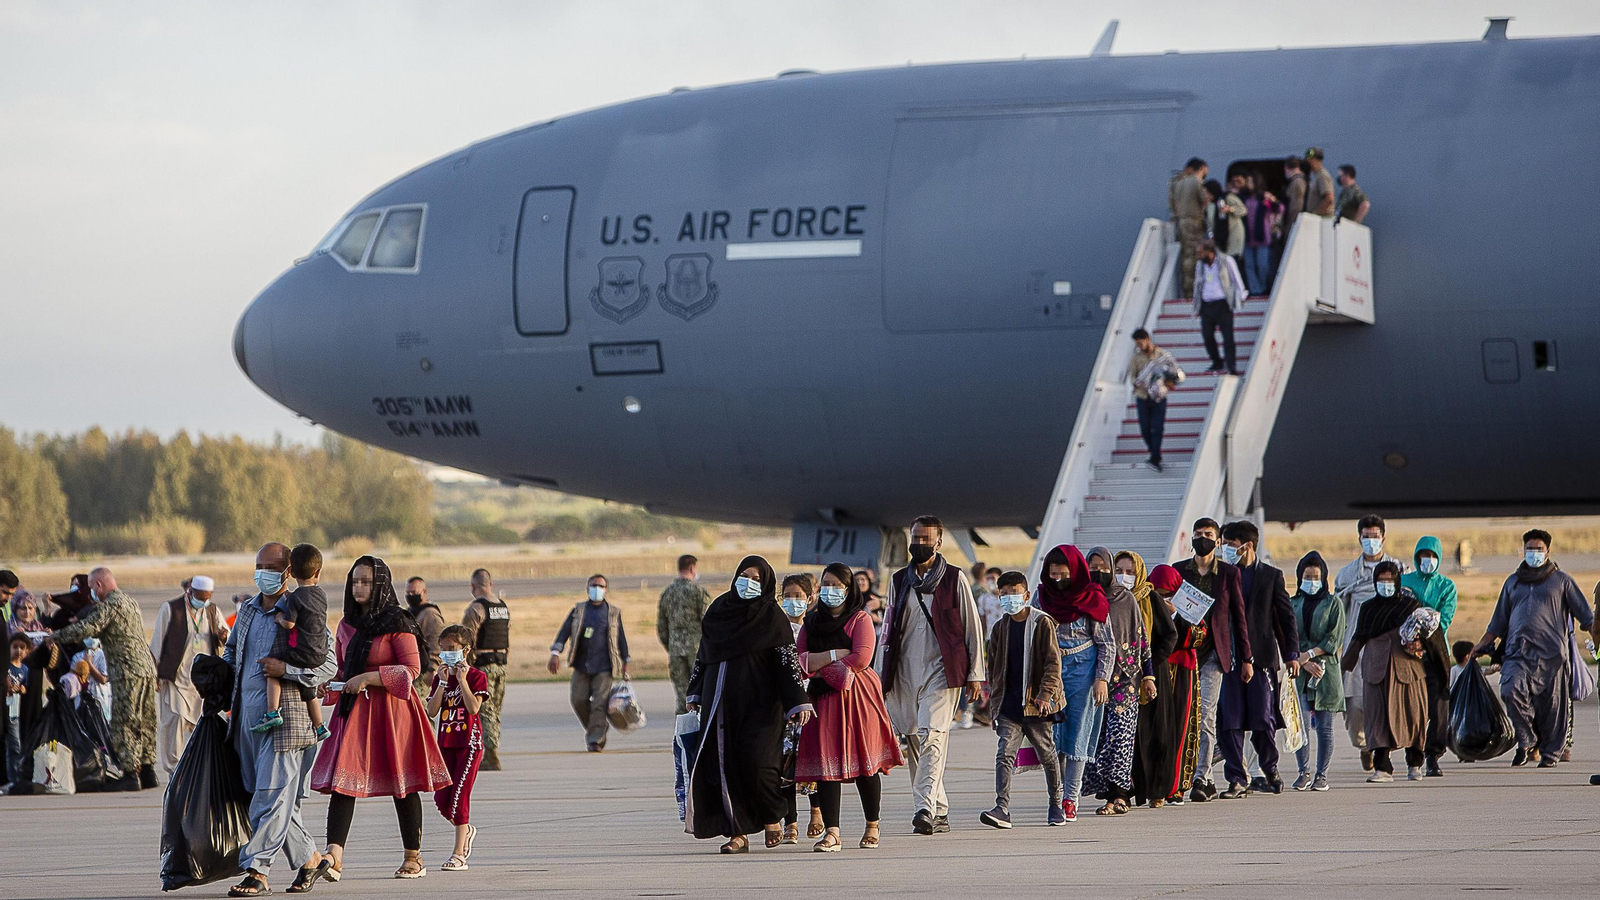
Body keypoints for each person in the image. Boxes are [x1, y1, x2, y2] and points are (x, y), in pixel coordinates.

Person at [312, 556, 451, 880]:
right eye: (355, 581)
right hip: (355, 713)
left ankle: (413, 857)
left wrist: (369, 679)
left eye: (366, 582)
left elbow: (412, 669)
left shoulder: (397, 622)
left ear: (380, 586)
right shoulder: (346, 624)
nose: (359, 588)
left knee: (403, 783)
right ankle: (335, 855)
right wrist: (329, 687)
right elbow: (346, 671)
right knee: (342, 782)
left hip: (394, 713)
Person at [222, 542, 340, 897]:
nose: (263, 573)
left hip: (286, 723)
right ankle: (310, 859)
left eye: (271, 567)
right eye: (259, 565)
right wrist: (217, 677)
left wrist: (287, 669)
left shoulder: (305, 609)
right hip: (246, 720)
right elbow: (232, 653)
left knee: (270, 798)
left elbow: (329, 665)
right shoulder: (247, 611)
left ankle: (257, 870)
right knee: (268, 797)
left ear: (288, 572)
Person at [684, 556, 813, 853]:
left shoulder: (773, 617)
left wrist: (797, 701)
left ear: (766, 582)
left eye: (755, 578)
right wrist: (695, 692)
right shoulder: (719, 610)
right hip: (721, 704)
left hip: (761, 706)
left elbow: (787, 662)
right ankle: (737, 834)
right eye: (744, 576)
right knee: (725, 767)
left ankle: (772, 816)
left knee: (759, 765)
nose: (748, 582)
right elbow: (704, 654)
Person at [878, 516, 986, 835]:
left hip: (943, 670)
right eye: (916, 537)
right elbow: (887, 628)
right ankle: (938, 809)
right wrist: (878, 674)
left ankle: (923, 807)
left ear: (939, 543)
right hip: (905, 670)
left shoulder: (954, 579)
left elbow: (972, 628)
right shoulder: (899, 581)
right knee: (914, 737)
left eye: (926, 539)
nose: (919, 544)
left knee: (932, 735)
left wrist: (975, 674)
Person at [797, 562, 904, 851]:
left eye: (836, 585)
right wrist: (833, 655)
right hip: (824, 701)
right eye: (826, 584)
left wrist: (819, 666)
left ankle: (872, 824)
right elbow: (801, 660)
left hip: (859, 699)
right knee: (826, 766)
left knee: (864, 765)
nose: (830, 591)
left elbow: (861, 659)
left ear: (848, 589)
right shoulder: (811, 622)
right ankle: (832, 833)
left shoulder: (860, 619)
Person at [1469, 530, 1599, 767]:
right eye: (1530, 549)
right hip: (1517, 655)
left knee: (1553, 709)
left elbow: (1587, 617)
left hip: (1552, 658)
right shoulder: (1512, 582)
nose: (1534, 554)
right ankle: (1527, 738)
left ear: (1548, 552)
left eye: (1538, 550)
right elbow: (1498, 621)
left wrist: (1597, 636)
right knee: (1510, 690)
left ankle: (1550, 754)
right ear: (1523, 550)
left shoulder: (1562, 581)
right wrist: (1483, 644)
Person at [50, 567, 159, 791]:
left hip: (127, 671)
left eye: (92, 588)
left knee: (124, 722)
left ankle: (130, 774)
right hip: (146, 669)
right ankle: (148, 771)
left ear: (99, 585)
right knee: (146, 721)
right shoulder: (129, 602)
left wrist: (56, 635)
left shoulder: (111, 605)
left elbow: (88, 627)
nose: (92, 593)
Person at [1341, 562, 1450, 782]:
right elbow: (1357, 639)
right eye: (1381, 581)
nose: (1385, 585)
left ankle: (1415, 763)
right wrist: (1342, 669)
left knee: (1413, 716)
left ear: (1398, 581)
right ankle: (1382, 767)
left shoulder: (1411, 606)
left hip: (1408, 671)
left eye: (1390, 580)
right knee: (1377, 718)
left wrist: (1441, 672)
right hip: (1376, 670)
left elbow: (1432, 640)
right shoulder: (1368, 608)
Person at [1031, 544, 1112, 822]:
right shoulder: (1042, 598)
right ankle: (1056, 793)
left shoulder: (1092, 597)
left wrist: (1101, 678)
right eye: (1053, 575)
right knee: (1052, 736)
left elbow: (1107, 643)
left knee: (1077, 733)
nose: (1058, 580)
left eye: (1063, 574)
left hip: (1083, 670)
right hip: (1051, 671)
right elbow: (1033, 634)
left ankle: (1070, 797)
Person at [1173, 518, 1252, 802]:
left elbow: (1238, 617)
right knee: (1184, 716)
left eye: (1208, 534)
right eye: (1198, 534)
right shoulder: (1179, 571)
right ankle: (1179, 775)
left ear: (1217, 541)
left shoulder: (1229, 573)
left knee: (1205, 716)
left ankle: (1201, 777)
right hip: (1183, 653)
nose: (1202, 538)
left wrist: (1246, 658)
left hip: (1213, 656)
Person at [980, 570, 1066, 828]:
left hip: (1037, 704)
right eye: (1004, 594)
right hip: (1009, 705)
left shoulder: (1042, 623)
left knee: (1047, 753)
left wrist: (1044, 695)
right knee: (1005, 753)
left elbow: (1053, 663)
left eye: (1014, 593)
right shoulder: (1000, 628)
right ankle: (1001, 807)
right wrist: (995, 707)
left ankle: (1056, 804)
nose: (1009, 599)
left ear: (1026, 595)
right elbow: (994, 669)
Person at [1219, 521, 1299, 796]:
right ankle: (1237, 778)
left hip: (1262, 658)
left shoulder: (1270, 576)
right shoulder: (1224, 576)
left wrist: (1291, 654)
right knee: (1231, 720)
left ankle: (1270, 768)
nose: (1225, 550)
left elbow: (1286, 617)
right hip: (1229, 658)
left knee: (1262, 719)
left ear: (1247, 545)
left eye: (1229, 545)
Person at [1081, 547, 1154, 816]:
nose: (1098, 571)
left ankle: (1121, 796)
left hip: (1127, 681)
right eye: (1092, 566)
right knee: (1099, 741)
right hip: (1095, 680)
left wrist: (1148, 674)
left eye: (1103, 566)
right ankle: (1110, 795)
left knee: (1120, 738)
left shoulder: (1125, 599)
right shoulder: (1084, 599)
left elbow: (1141, 638)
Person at [1335, 514, 1407, 770]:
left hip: (1388, 649)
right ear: (1359, 538)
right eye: (1366, 537)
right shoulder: (1347, 575)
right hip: (1357, 647)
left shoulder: (1398, 569)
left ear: (1383, 538)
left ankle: (1381, 751)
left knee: (1386, 703)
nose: (1371, 541)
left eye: (1375, 536)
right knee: (1354, 706)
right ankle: (1364, 746)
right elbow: (1337, 614)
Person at [149, 575, 230, 775]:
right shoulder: (171, 609)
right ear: (190, 592)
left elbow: (227, 638)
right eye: (200, 597)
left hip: (202, 682)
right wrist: (155, 674)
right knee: (174, 722)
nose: (203, 602)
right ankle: (174, 770)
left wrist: (222, 637)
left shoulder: (212, 611)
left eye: (207, 598)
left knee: (201, 725)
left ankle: (199, 768)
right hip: (176, 678)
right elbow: (157, 643)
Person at [251, 544, 329, 741]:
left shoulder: (295, 597)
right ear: (318, 572)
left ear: (291, 572)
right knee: (309, 691)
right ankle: (319, 726)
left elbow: (289, 624)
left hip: (300, 652)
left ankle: (272, 712)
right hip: (319, 652)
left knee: (272, 667)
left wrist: (278, 618)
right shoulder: (321, 595)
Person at [426, 624, 488, 872]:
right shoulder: (440, 677)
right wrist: (442, 683)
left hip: (468, 744)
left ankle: (459, 853)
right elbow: (431, 711)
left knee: (460, 797)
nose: (447, 654)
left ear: (465, 650)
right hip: (445, 743)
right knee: (442, 798)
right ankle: (466, 829)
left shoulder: (476, 677)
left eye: (453, 649)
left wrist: (461, 680)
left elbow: (474, 708)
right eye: (444, 649)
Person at [548, 573, 631, 752]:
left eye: (600, 586)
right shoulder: (578, 610)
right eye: (594, 586)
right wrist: (555, 652)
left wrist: (626, 660)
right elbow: (564, 632)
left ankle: (595, 740)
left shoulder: (613, 613)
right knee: (578, 699)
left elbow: (621, 639)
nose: (597, 589)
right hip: (581, 664)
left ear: (606, 590)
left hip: (605, 667)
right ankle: (598, 728)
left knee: (599, 705)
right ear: (587, 588)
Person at [1123, 553, 1179, 808]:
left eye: (1129, 571)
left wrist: (1148, 665)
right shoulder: (1115, 600)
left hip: (1152, 674)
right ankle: (1133, 788)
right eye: (1119, 570)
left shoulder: (1151, 598)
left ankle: (1158, 790)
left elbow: (1169, 635)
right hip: (1123, 677)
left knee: (1157, 732)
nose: (1124, 576)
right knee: (1130, 734)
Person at [1290, 552, 1345, 792]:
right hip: (1299, 670)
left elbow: (1334, 638)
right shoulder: (1293, 603)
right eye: (1307, 576)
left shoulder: (1334, 603)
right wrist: (1302, 661)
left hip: (1326, 671)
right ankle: (1303, 772)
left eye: (1316, 576)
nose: (1311, 581)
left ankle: (1321, 775)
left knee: (1325, 727)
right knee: (1300, 724)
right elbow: (1289, 636)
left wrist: (1311, 655)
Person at [778, 574, 825, 844]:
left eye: (798, 596)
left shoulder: (814, 628)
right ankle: (791, 822)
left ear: (810, 599)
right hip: (785, 709)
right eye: (788, 596)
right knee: (785, 764)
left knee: (811, 761)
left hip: (810, 705)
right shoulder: (776, 629)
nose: (793, 601)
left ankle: (817, 811)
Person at [461, 568, 510, 770]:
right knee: (495, 709)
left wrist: (466, 665)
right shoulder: (503, 607)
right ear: (491, 584)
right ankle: (491, 750)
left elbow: (467, 639)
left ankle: (491, 755)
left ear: (473, 586)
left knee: (485, 710)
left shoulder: (476, 609)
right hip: (501, 664)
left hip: (484, 666)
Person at [658, 554, 710, 715]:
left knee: (682, 697)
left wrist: (671, 645)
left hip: (675, 650)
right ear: (692, 568)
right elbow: (708, 622)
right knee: (702, 695)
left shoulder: (667, 593)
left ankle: (682, 735)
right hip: (697, 652)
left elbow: (661, 627)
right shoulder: (698, 592)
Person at [1129, 328, 1182, 471]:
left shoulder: (1162, 355)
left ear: (1147, 340)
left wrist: (1169, 382)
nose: (1138, 346)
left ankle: (1155, 457)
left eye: (1140, 343)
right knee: (1145, 428)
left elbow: (1173, 373)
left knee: (1157, 427)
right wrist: (1139, 383)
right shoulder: (1136, 358)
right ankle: (1155, 453)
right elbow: (1133, 377)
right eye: (1137, 344)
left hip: (1159, 396)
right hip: (1143, 396)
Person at [1192, 240, 1247, 376]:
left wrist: (1242, 295)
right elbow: (1197, 285)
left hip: (1222, 303)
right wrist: (1196, 305)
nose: (1199, 256)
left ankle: (1231, 365)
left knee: (1228, 337)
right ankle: (1217, 361)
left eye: (1201, 253)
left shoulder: (1225, 261)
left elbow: (1236, 278)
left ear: (1209, 252)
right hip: (1207, 304)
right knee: (1207, 335)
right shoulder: (1200, 265)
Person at [1401, 537, 1458, 638]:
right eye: (1426, 555)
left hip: (1434, 642)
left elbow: (1445, 620)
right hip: (1405, 639)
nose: (1430, 559)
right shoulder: (1403, 580)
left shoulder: (1447, 586)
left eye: (1434, 556)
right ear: (1418, 556)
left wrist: (1423, 638)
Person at [1171, 157, 1208, 297]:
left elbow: (1173, 203)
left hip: (1181, 222)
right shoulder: (1197, 182)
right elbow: (1205, 201)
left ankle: (1187, 290)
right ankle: (1193, 290)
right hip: (1194, 221)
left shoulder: (1178, 183)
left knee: (1186, 256)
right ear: (1202, 168)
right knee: (1195, 255)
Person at [405, 577, 446, 697]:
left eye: (414, 592)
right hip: (411, 670)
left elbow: (437, 642)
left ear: (424, 592)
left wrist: (432, 668)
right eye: (408, 593)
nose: (411, 595)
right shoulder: (412, 612)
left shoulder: (430, 615)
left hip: (423, 671)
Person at [1242, 179, 1282, 296]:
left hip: (1262, 237)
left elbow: (1279, 209)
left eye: (1250, 181)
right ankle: (1255, 290)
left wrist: (1272, 199)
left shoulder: (1264, 199)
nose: (1248, 184)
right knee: (1249, 266)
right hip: (1247, 236)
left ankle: (1263, 287)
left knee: (1262, 264)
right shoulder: (1243, 198)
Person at [6, 633, 28, 787]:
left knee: (15, 746)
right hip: (4, 708)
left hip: (14, 711)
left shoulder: (25, 669)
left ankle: (14, 780)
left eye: (22, 648)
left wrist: (20, 689)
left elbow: (25, 687)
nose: (18, 651)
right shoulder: (5, 665)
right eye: (15, 647)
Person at [1304, 148, 1336, 217]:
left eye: (1310, 160)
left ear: (1317, 160)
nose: (1308, 162)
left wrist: (1315, 214)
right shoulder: (1316, 176)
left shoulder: (1322, 175)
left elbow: (1329, 199)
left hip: (1322, 221)